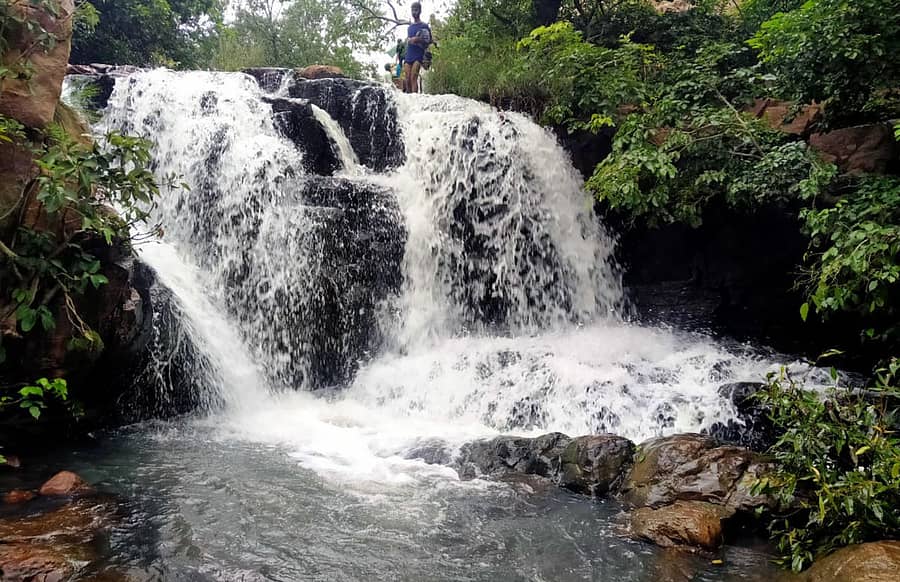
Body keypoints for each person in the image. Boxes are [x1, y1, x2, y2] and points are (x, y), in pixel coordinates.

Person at [402, 2, 431, 93]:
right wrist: (409, 41)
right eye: (412, 10)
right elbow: (409, 40)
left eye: (416, 10)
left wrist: (418, 39)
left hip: (419, 54)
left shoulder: (424, 26)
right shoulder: (409, 27)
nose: (414, 12)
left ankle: (415, 98)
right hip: (409, 54)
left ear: (420, 11)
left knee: (413, 77)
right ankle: (408, 97)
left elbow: (428, 41)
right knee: (407, 79)